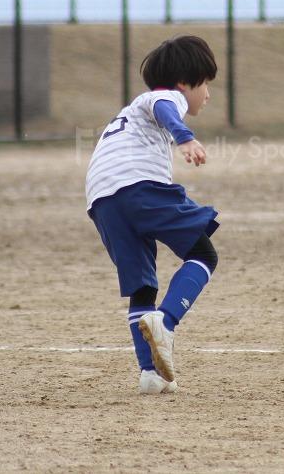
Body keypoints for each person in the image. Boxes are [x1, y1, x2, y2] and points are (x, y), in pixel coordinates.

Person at [85, 35, 219, 395]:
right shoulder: (165, 97)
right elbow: (164, 105)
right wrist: (185, 137)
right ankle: (167, 321)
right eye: (205, 84)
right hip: (138, 187)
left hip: (102, 199)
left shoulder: (128, 113)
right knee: (204, 254)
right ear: (184, 83)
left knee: (143, 286)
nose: (207, 94)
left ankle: (151, 374)